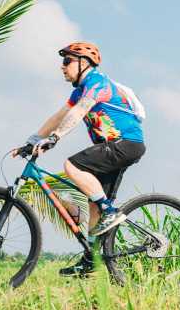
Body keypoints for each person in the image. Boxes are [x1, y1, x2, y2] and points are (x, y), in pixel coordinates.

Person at [19, 41, 146, 242]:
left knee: (72, 165)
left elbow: (79, 111)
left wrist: (54, 138)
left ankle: (109, 210)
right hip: (114, 148)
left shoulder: (97, 83)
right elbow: (60, 116)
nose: (62, 66)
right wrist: (33, 140)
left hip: (125, 144)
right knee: (94, 208)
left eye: (67, 61)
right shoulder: (79, 91)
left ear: (83, 63)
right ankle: (91, 262)